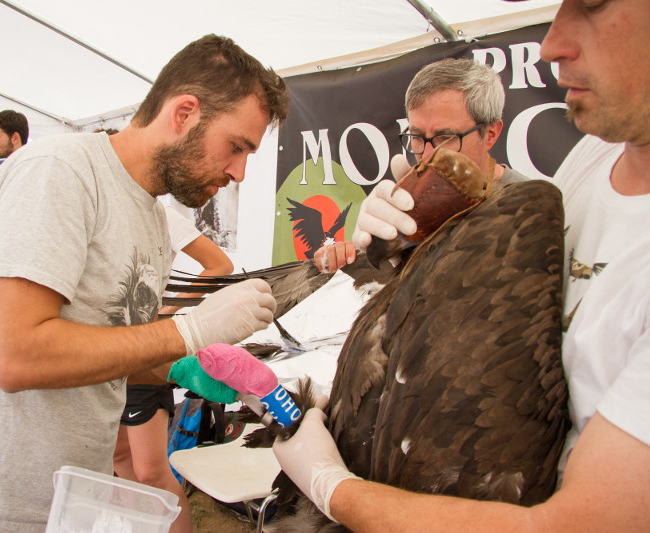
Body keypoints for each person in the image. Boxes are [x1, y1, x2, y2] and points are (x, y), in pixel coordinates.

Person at [274, 1, 650, 531]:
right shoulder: (596, 156)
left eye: (591, 4)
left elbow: (580, 522)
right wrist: (393, 261)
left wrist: (332, 488)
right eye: (417, 138)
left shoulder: (528, 201)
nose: (551, 44)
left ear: (490, 134)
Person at [0, 34, 288, 532]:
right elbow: (17, 356)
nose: (239, 171)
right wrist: (187, 331)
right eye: (237, 147)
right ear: (185, 112)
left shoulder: (150, 216)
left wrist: (181, 369)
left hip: (62, 498)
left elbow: (110, 354)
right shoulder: (60, 172)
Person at [314, 57, 526, 273]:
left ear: (490, 134)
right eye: (417, 136)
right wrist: (355, 258)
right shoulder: (409, 196)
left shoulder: (528, 208)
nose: (426, 154)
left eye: (445, 136)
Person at [113, 205, 234, 533]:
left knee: (151, 472)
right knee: (118, 458)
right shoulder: (100, 206)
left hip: (143, 354)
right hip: (102, 353)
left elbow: (220, 265)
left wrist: (166, 312)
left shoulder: (158, 213)